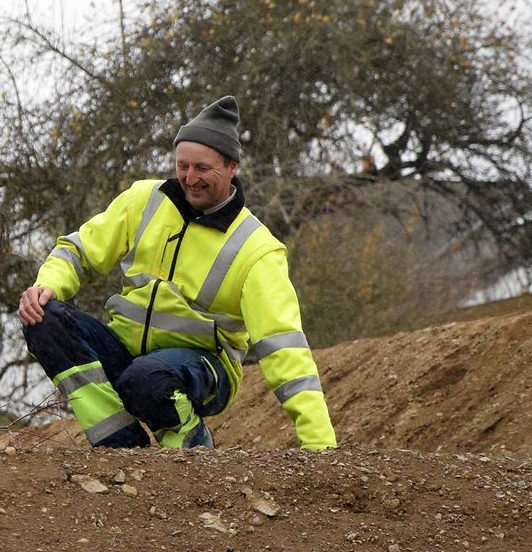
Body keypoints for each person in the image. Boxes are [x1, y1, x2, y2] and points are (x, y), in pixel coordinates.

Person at [17, 96, 336, 451]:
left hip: (204, 369)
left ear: (232, 167)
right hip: (129, 353)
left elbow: (283, 346)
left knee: (148, 378)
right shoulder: (143, 199)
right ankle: (120, 444)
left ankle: (192, 450)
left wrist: (320, 445)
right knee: (43, 317)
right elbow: (78, 250)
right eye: (182, 166)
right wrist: (46, 285)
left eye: (203, 168)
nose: (189, 178)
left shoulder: (257, 249)